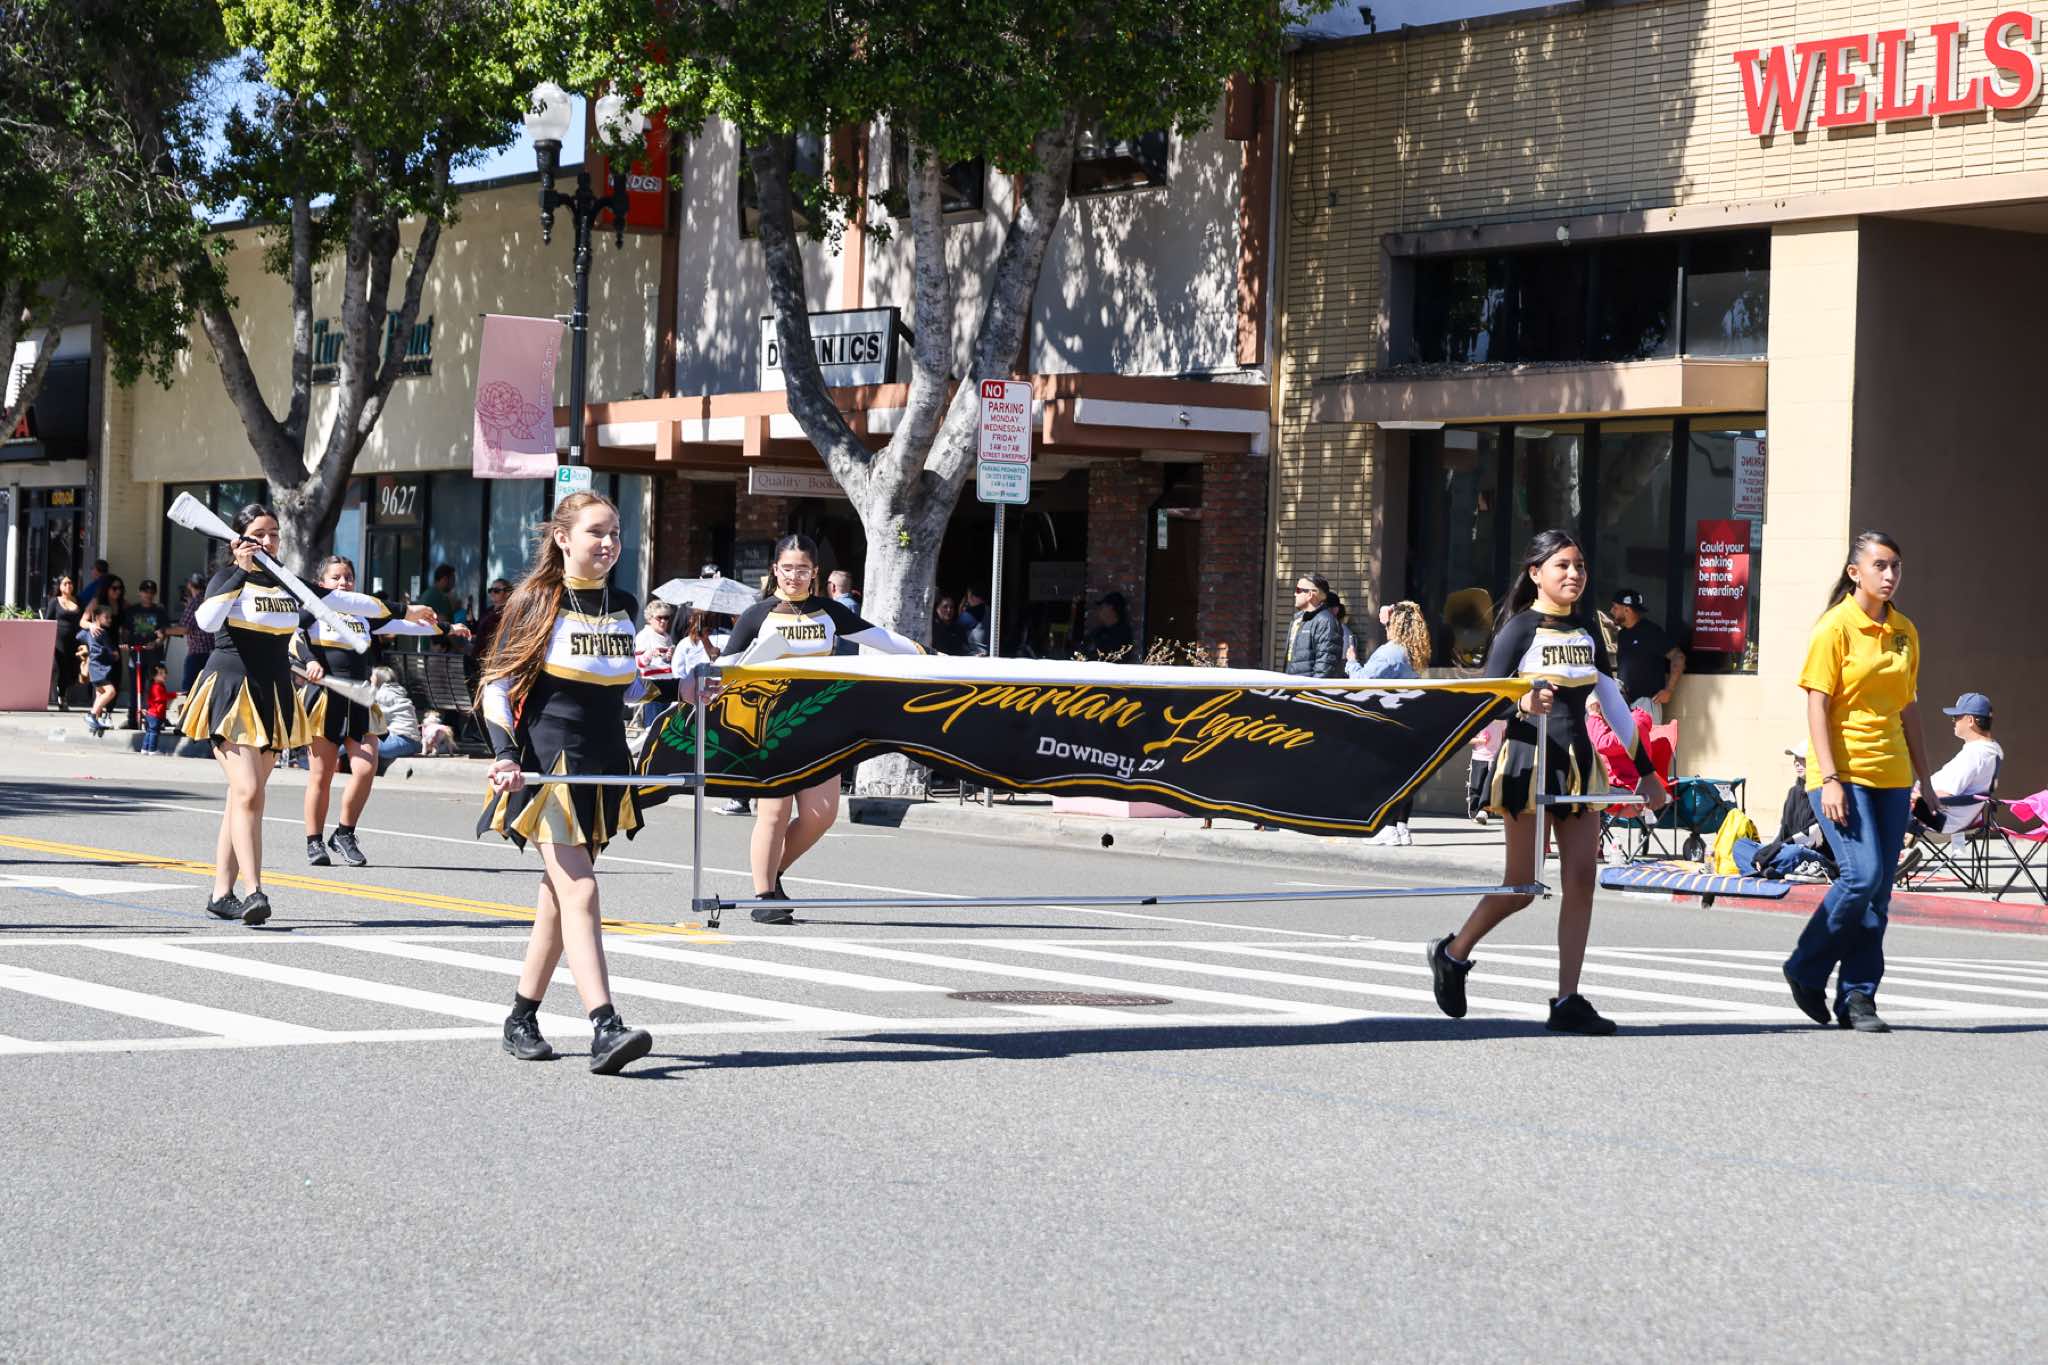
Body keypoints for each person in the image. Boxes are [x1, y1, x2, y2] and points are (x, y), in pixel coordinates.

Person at [1426, 530, 1670, 1036]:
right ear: (1536, 573)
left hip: (1579, 764)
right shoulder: (1519, 629)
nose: (1574, 574)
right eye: (1563, 565)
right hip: (1528, 763)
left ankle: (1567, 1000)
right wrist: (1519, 701)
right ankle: (1452, 953)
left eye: (1579, 565)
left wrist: (1647, 773)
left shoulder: (1588, 630)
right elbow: (1484, 700)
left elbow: (1614, 703)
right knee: (1522, 886)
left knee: (1582, 879)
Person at [477, 491, 657, 1074]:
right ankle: (605, 1025)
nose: (609, 543)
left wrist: (679, 686)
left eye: (615, 532)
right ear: (563, 538)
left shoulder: (623, 603)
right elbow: (497, 686)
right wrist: (504, 754)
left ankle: (520, 1017)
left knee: (558, 901)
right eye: (596, 532)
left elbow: (626, 684)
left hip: (605, 765)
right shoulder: (536, 600)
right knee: (580, 891)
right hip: (547, 764)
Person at [721, 533, 924, 924]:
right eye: (787, 568)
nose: (794, 576)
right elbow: (724, 667)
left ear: (815, 572)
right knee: (774, 813)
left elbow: (879, 638)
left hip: (821, 725)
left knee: (822, 814)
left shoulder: (829, 612)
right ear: (775, 569)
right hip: (770, 726)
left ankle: (774, 872)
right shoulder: (758, 615)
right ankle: (764, 895)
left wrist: (927, 654)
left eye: (802, 569)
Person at [1781, 530, 1937, 1035]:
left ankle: (1857, 997)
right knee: (1861, 876)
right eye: (1880, 566)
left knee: (1879, 893)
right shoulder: (1834, 627)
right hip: (1841, 775)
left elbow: (1908, 709)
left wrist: (1925, 780)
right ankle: (1805, 966)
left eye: (1896, 566)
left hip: (1892, 777)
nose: (1890, 575)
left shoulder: (1905, 631)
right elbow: (1817, 705)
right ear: (1855, 572)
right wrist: (1829, 778)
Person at [179, 504, 314, 927]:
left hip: (273, 694)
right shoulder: (226, 577)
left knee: (242, 798)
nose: (269, 541)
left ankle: (222, 894)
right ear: (239, 538)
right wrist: (240, 570)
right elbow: (205, 621)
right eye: (260, 533)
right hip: (231, 689)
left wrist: (404, 614)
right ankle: (254, 891)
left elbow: (334, 604)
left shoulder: (285, 581)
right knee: (250, 792)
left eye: (274, 533)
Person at [295, 555, 440, 867]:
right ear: (322, 583)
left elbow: (406, 624)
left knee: (365, 768)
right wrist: (310, 660)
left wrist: (449, 627)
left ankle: (344, 834)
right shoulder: (313, 608)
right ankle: (314, 840)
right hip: (326, 697)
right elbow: (290, 633)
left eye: (348, 577)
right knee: (322, 774)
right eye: (336, 577)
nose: (343, 582)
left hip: (360, 697)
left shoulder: (363, 613)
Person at [1354, 600, 1432, 846]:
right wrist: (1391, 612)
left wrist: (1351, 661)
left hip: (1386, 719)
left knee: (1383, 775)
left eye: (1389, 624)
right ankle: (1401, 827)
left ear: (1395, 625)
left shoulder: (1390, 652)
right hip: (1409, 719)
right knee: (1404, 777)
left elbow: (1362, 681)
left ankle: (1386, 827)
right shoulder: (1414, 652)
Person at [1907, 692, 2003, 844]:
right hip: (1959, 818)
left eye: (1956, 717)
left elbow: (1946, 794)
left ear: (1970, 720)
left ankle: (1896, 853)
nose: (1953, 721)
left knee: (1888, 803)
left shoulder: (1975, 755)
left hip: (1941, 818)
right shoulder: (1992, 749)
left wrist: (1915, 797)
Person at [1609, 588, 1685, 722]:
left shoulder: (1651, 632)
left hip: (1646, 704)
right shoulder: (1622, 635)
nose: (1611, 611)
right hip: (1624, 703)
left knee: (1648, 737)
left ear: (1627, 610)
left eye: (1615, 607)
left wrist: (1669, 690)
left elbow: (1678, 657)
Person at [121, 579, 171, 729]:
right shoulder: (132, 611)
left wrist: (156, 643)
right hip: (136, 654)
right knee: (135, 687)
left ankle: (157, 718)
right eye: (145, 591)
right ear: (140, 592)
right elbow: (125, 631)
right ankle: (132, 719)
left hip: (154, 655)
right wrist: (125, 643)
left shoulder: (159, 611)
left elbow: (163, 633)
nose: (148, 595)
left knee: (155, 688)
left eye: (151, 592)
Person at [1284, 573, 1343, 678]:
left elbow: (1325, 668)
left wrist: (1312, 688)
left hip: (1308, 687)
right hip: (1292, 685)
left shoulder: (1326, 622)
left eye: (1298, 590)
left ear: (1310, 594)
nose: (1295, 594)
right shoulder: (1298, 620)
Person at [367, 666, 423, 773]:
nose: (370, 678)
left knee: (354, 740)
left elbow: (372, 717)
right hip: (413, 743)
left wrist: (372, 689)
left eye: (372, 676)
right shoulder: (396, 692)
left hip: (399, 742)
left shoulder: (383, 694)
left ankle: (332, 755)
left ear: (378, 679)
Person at [41, 574, 83, 710]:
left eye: (70, 583)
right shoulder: (55, 602)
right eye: (65, 583)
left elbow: (83, 620)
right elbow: (47, 621)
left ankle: (65, 693)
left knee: (73, 669)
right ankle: (62, 697)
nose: (68, 586)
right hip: (59, 641)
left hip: (75, 640)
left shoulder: (78, 601)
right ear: (60, 586)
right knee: (61, 667)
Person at [80, 603, 120, 735]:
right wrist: (115, 654)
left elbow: (78, 636)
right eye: (106, 617)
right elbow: (110, 651)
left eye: (110, 617)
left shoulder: (89, 632)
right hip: (99, 668)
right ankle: (91, 715)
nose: (109, 620)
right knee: (111, 692)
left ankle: (95, 721)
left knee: (100, 694)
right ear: (97, 617)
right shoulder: (103, 633)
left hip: (95, 667)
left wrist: (89, 628)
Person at [176, 571, 215, 692]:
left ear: (189, 585)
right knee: (206, 690)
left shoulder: (194, 603)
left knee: (189, 689)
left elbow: (185, 629)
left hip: (197, 653)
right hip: (212, 653)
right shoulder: (210, 600)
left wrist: (165, 630)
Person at [1081, 592, 1134, 661]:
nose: (1099, 611)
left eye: (1102, 607)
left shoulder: (1122, 633)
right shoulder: (1099, 632)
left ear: (1111, 608)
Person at [472, 578, 513, 657]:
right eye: (490, 590)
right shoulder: (488, 611)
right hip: (478, 656)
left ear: (507, 593)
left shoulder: (508, 613)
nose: (492, 593)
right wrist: (471, 622)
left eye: (496, 591)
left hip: (492, 658)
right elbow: (477, 630)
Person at [141, 663, 176, 755]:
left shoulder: (158, 685)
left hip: (153, 713)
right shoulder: (156, 686)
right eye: (160, 673)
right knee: (154, 732)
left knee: (149, 731)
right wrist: (173, 695)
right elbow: (159, 697)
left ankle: (145, 748)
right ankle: (152, 749)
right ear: (153, 676)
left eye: (165, 673)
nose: (164, 675)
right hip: (155, 714)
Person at [419, 562, 459, 627]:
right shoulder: (441, 597)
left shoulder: (427, 593)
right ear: (445, 579)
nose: (454, 584)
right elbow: (443, 623)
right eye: (453, 580)